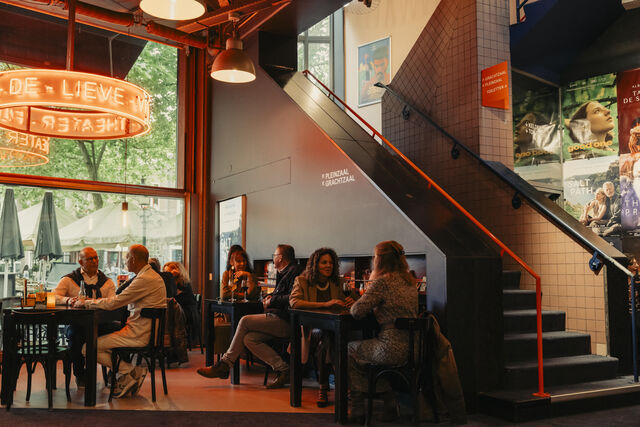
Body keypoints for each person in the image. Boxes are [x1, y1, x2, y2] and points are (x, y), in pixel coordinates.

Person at [197, 244, 302, 389]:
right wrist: (271, 296)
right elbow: (226, 294)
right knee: (249, 339)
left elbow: (292, 297)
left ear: (280, 257)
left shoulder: (294, 271)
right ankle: (284, 369)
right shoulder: (284, 272)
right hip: (276, 317)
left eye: (275, 255)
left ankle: (225, 364)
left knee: (244, 320)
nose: (273, 258)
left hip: (286, 320)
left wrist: (271, 300)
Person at [73, 245, 167, 398]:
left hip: (138, 335)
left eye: (127, 258)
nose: (125, 261)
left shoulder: (144, 279)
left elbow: (114, 303)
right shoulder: (152, 276)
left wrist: (87, 302)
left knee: (87, 348)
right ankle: (128, 373)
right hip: (148, 333)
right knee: (100, 340)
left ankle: (130, 371)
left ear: (133, 259)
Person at [347, 240, 418, 422]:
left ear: (379, 260)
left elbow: (356, 312)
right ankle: (388, 401)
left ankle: (358, 407)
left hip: (390, 348)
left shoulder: (382, 282)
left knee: (349, 349)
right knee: (370, 357)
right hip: (414, 347)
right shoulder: (410, 281)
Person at [290, 247, 354, 407]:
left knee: (326, 341)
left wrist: (352, 301)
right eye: (324, 262)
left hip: (333, 329)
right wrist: (325, 304)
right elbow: (294, 302)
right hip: (310, 330)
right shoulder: (302, 281)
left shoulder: (339, 282)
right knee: (327, 337)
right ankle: (344, 385)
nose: (328, 266)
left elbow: (356, 299)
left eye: (331, 263)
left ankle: (323, 388)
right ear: (315, 264)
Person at [54, 247, 116, 387]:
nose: (94, 261)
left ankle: (114, 372)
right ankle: (80, 374)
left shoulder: (107, 282)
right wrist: (69, 300)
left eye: (96, 258)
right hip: (78, 324)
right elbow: (54, 297)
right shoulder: (69, 280)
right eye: (90, 259)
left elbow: (113, 302)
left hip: (101, 324)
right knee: (75, 336)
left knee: (120, 331)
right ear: (81, 262)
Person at [163, 261, 199, 337]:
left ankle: (169, 338)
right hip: (178, 311)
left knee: (166, 315)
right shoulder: (170, 283)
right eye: (165, 272)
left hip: (187, 313)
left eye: (168, 273)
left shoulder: (183, 283)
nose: (166, 275)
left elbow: (173, 297)